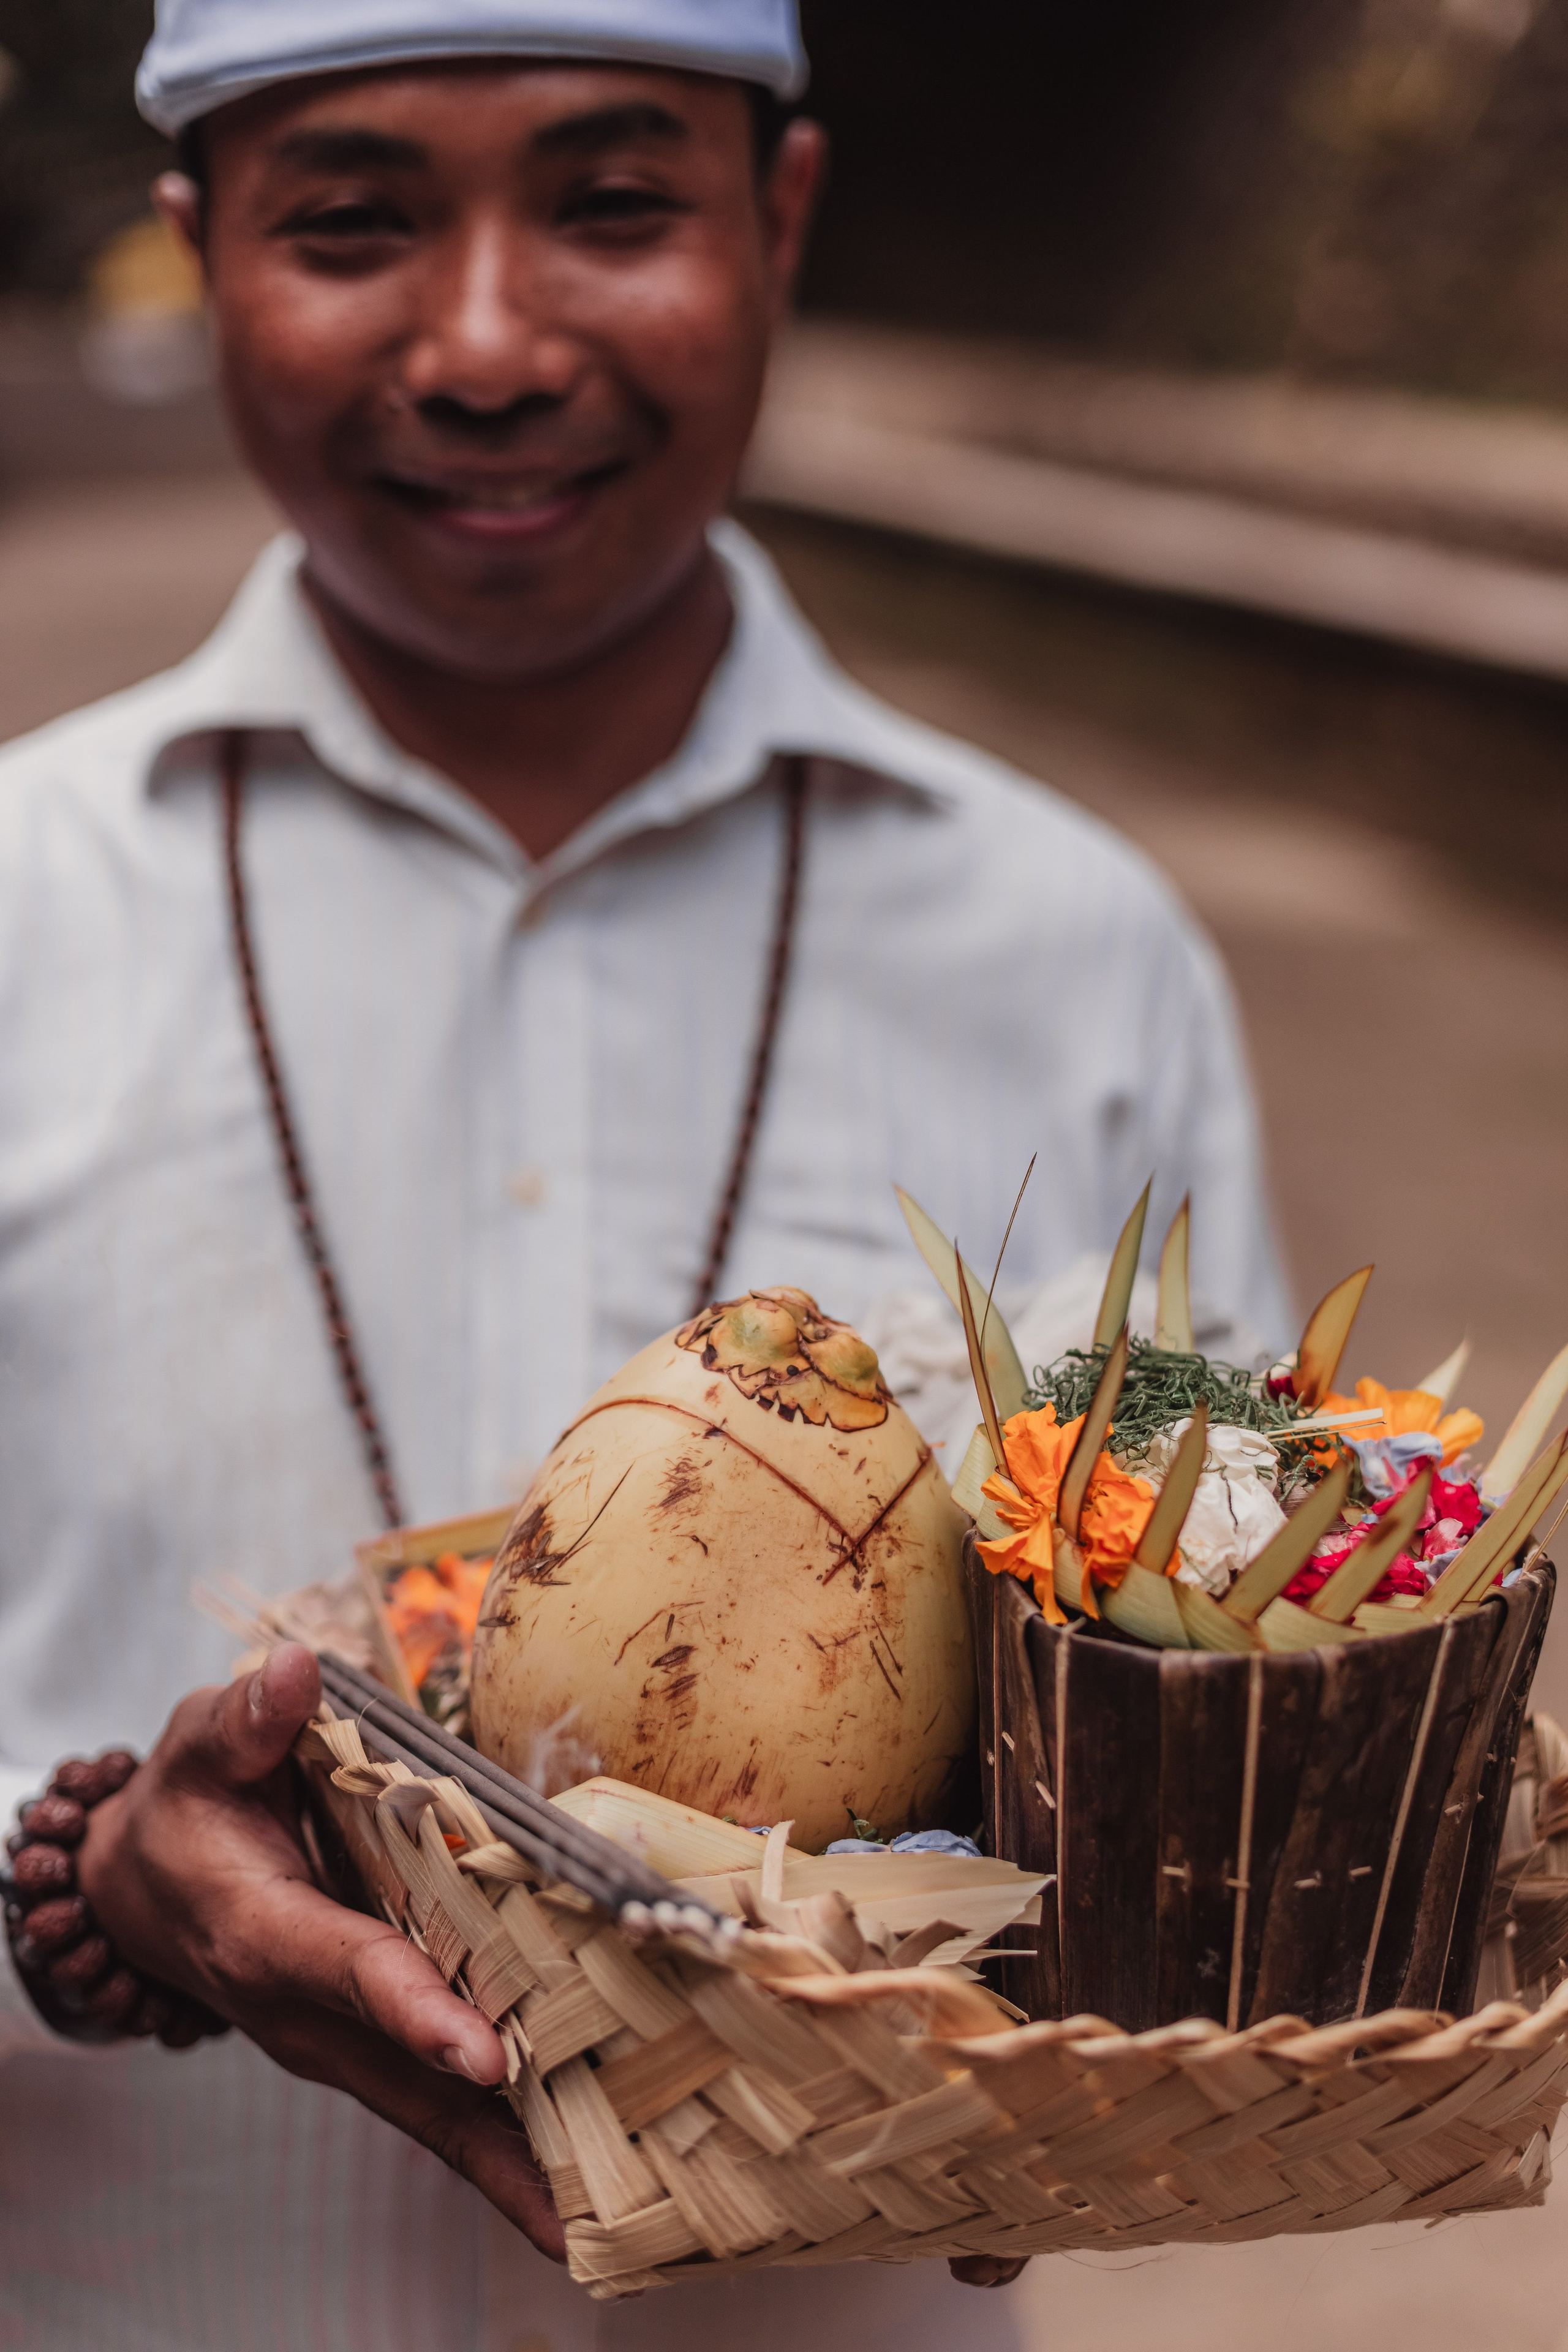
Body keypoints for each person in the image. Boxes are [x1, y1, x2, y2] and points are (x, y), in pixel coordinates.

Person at [0, 3, 1292, 2345]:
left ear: (777, 220)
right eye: (354, 224)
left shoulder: (1077, 954)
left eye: (611, 204)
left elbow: (1229, 1703)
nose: (489, 347)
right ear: (200, 259)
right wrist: (84, 1884)